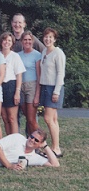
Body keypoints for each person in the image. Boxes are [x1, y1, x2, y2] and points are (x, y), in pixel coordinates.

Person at [39, 27, 65, 158]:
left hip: (53, 88)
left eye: (50, 37)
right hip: (44, 87)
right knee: (53, 119)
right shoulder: (44, 52)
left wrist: (56, 91)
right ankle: (56, 147)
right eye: (46, 37)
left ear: (54, 39)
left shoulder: (58, 53)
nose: (47, 39)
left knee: (48, 118)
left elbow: (61, 73)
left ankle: (56, 148)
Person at [0, 32, 26, 135]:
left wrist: (17, 92)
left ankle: (15, 142)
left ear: (12, 43)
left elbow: (19, 75)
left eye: (9, 40)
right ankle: (8, 140)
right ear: (1, 41)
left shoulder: (15, 56)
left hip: (11, 86)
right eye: (5, 40)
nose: (7, 42)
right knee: (5, 118)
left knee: (12, 117)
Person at [18, 31, 41, 135]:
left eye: (29, 40)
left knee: (32, 119)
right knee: (27, 117)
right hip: (20, 86)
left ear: (32, 41)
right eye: (25, 40)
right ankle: (30, 141)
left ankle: (41, 143)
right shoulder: (18, 55)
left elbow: (39, 75)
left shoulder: (37, 55)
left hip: (32, 86)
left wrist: (37, 95)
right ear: (22, 41)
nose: (27, 42)